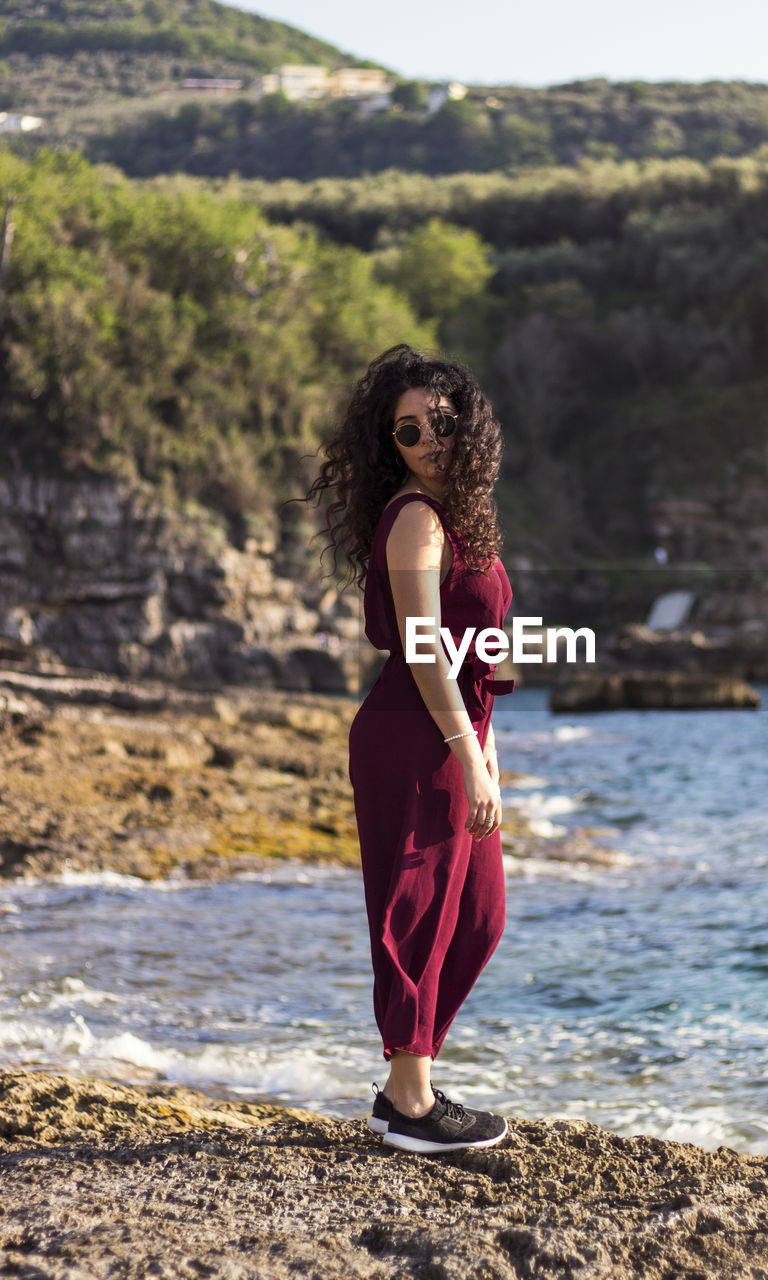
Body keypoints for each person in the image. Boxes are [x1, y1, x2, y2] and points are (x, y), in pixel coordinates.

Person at [306, 344, 514, 1154]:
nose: (428, 439)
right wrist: (465, 750)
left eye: (440, 423)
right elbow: (426, 648)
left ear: (470, 425)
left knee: (479, 918)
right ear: (387, 447)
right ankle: (411, 1103)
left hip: (458, 729)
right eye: (407, 431)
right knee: (418, 912)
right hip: (413, 732)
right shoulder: (416, 517)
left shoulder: (461, 514)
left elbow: (480, 650)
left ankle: (406, 1087)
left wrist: (487, 746)